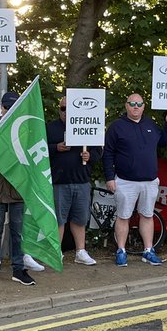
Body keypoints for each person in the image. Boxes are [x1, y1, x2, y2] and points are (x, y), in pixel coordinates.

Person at [103, 93, 167, 266]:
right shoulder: (116, 126)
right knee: (123, 216)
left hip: (149, 181)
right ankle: (121, 251)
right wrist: (110, 178)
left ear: (143, 106)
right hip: (125, 181)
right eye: (132, 103)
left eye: (139, 103)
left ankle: (148, 251)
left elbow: (163, 142)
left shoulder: (150, 124)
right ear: (126, 106)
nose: (135, 106)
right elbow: (108, 154)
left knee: (147, 215)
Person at [0, 91, 36, 287]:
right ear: (1, 107)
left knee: (18, 232)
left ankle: (18, 270)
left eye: (13, 107)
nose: (9, 110)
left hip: (17, 187)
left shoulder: (26, 127)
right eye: (7, 107)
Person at [47, 96, 101, 266]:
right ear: (59, 109)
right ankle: (56, 252)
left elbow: (99, 151)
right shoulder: (50, 128)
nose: (66, 112)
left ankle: (81, 251)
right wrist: (56, 147)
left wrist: (90, 156)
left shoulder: (88, 126)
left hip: (82, 181)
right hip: (59, 181)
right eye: (63, 108)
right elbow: (39, 149)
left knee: (80, 218)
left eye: (70, 109)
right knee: (58, 219)